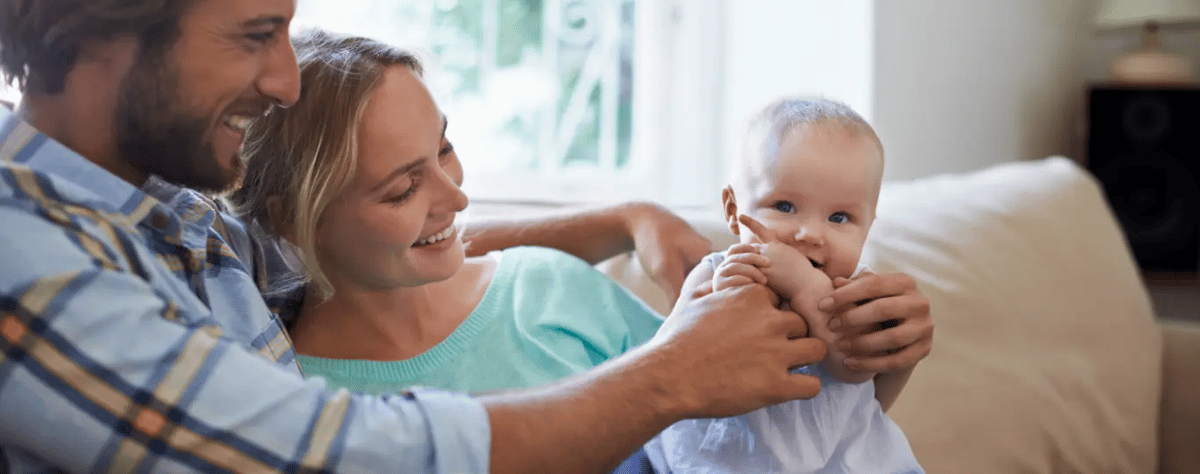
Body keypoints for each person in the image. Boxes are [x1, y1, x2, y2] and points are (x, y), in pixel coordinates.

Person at [0, 1, 930, 472]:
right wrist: (668, 376)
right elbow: (328, 454)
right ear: (109, 30)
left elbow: (364, 247)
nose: (281, 79)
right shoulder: (27, 263)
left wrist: (619, 221)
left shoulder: (172, 222)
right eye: (253, 34)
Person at [226, 30, 666, 396]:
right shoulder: (303, 407)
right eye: (403, 190)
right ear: (292, 220)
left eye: (445, 149)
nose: (457, 199)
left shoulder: (549, 291)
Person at [644, 99, 931, 473]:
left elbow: (853, 367)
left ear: (868, 226)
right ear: (732, 209)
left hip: (840, 462)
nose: (810, 234)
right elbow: (673, 355)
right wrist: (722, 299)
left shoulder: (858, 292)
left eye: (839, 217)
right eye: (784, 206)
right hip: (728, 459)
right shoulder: (713, 271)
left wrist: (803, 284)